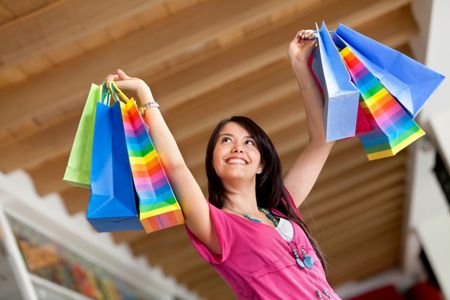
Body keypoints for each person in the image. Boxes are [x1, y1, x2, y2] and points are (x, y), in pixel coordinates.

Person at [106, 29, 340, 299]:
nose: (238, 147)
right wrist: (146, 96)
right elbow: (176, 167)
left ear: (262, 164)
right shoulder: (215, 224)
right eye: (226, 140)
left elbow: (323, 138)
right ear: (213, 163)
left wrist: (300, 64)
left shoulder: (283, 208)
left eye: (250, 142)